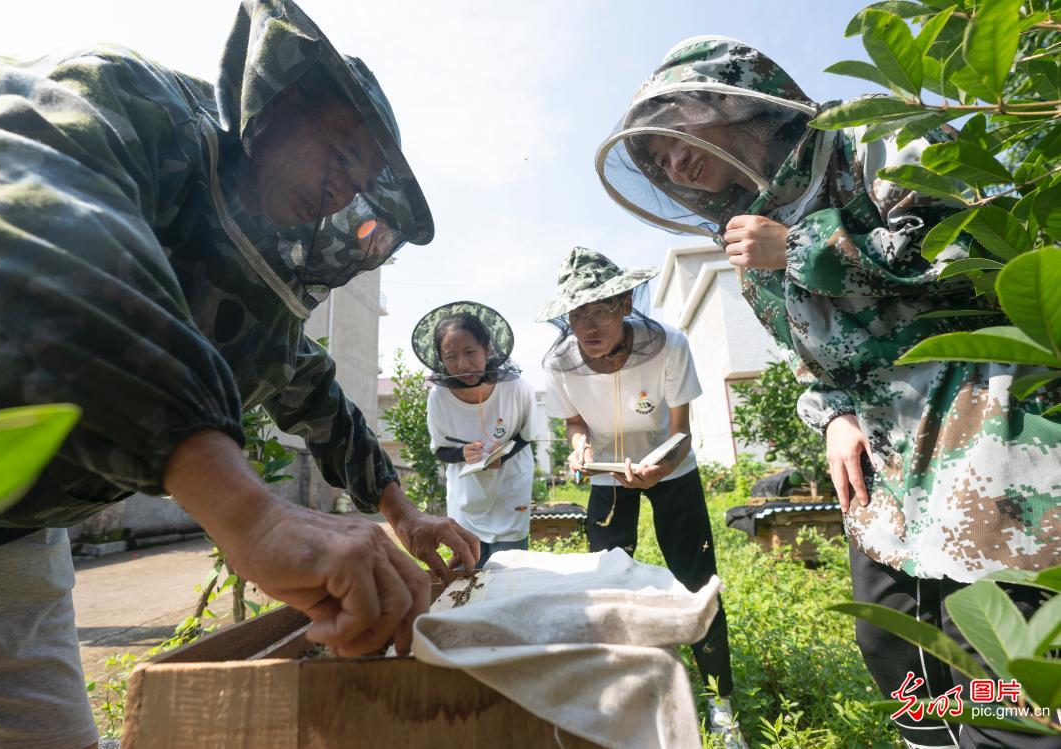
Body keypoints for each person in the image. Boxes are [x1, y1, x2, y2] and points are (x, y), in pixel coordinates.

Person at [0, 2, 480, 747]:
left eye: (362, 179)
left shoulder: (256, 274)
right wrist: (251, 514)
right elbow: (8, 213)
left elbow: (312, 390)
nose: (343, 190)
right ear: (279, 100)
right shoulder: (121, 100)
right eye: (341, 150)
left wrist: (401, 510)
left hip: (5, 530)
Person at [598, 36, 1061, 749]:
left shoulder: (874, 135)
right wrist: (833, 416)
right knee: (890, 642)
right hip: (879, 451)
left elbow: (975, 254)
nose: (672, 162)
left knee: (998, 651)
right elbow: (805, 356)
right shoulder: (745, 238)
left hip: (980, 414)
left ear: (729, 100)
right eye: (656, 161)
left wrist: (805, 246)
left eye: (673, 135)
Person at [536, 247, 745, 748]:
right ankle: (617, 697)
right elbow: (574, 423)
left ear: (626, 303)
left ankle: (721, 703)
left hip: (670, 467)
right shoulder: (559, 364)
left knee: (696, 577)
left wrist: (660, 468)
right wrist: (580, 448)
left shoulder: (669, 345)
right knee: (604, 581)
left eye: (600, 310)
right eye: (577, 313)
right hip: (608, 474)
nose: (588, 326)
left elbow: (681, 431)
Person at [413, 302, 535, 568]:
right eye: (451, 357)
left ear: (487, 349)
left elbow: (526, 435)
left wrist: (503, 455)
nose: (462, 364)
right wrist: (461, 454)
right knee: (467, 573)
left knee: (512, 574)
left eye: (470, 352)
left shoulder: (517, 388)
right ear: (440, 359)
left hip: (510, 492)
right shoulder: (439, 397)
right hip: (466, 499)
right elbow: (439, 448)